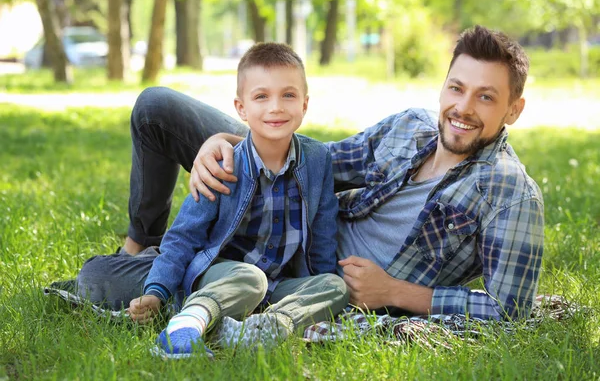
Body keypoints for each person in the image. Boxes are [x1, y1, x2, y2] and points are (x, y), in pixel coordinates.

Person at [77, 25, 543, 329]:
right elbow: (319, 161)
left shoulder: (510, 196)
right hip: (285, 209)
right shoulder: (412, 126)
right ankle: (139, 244)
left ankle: (176, 274)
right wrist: (223, 143)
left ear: (513, 110)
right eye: (457, 88)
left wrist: (394, 293)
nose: (462, 108)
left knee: (98, 280)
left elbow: (510, 311)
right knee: (158, 108)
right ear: (444, 86)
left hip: (311, 281)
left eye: (486, 97)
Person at [76, 43, 348, 358]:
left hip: (277, 288)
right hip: (225, 274)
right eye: (261, 96)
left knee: (333, 285)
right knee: (251, 277)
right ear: (241, 108)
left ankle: (266, 327)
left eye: (288, 95)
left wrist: (320, 289)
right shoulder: (223, 163)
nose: (276, 107)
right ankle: (186, 325)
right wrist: (156, 291)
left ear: (304, 105)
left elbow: (323, 233)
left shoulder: (317, 159)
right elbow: (183, 236)